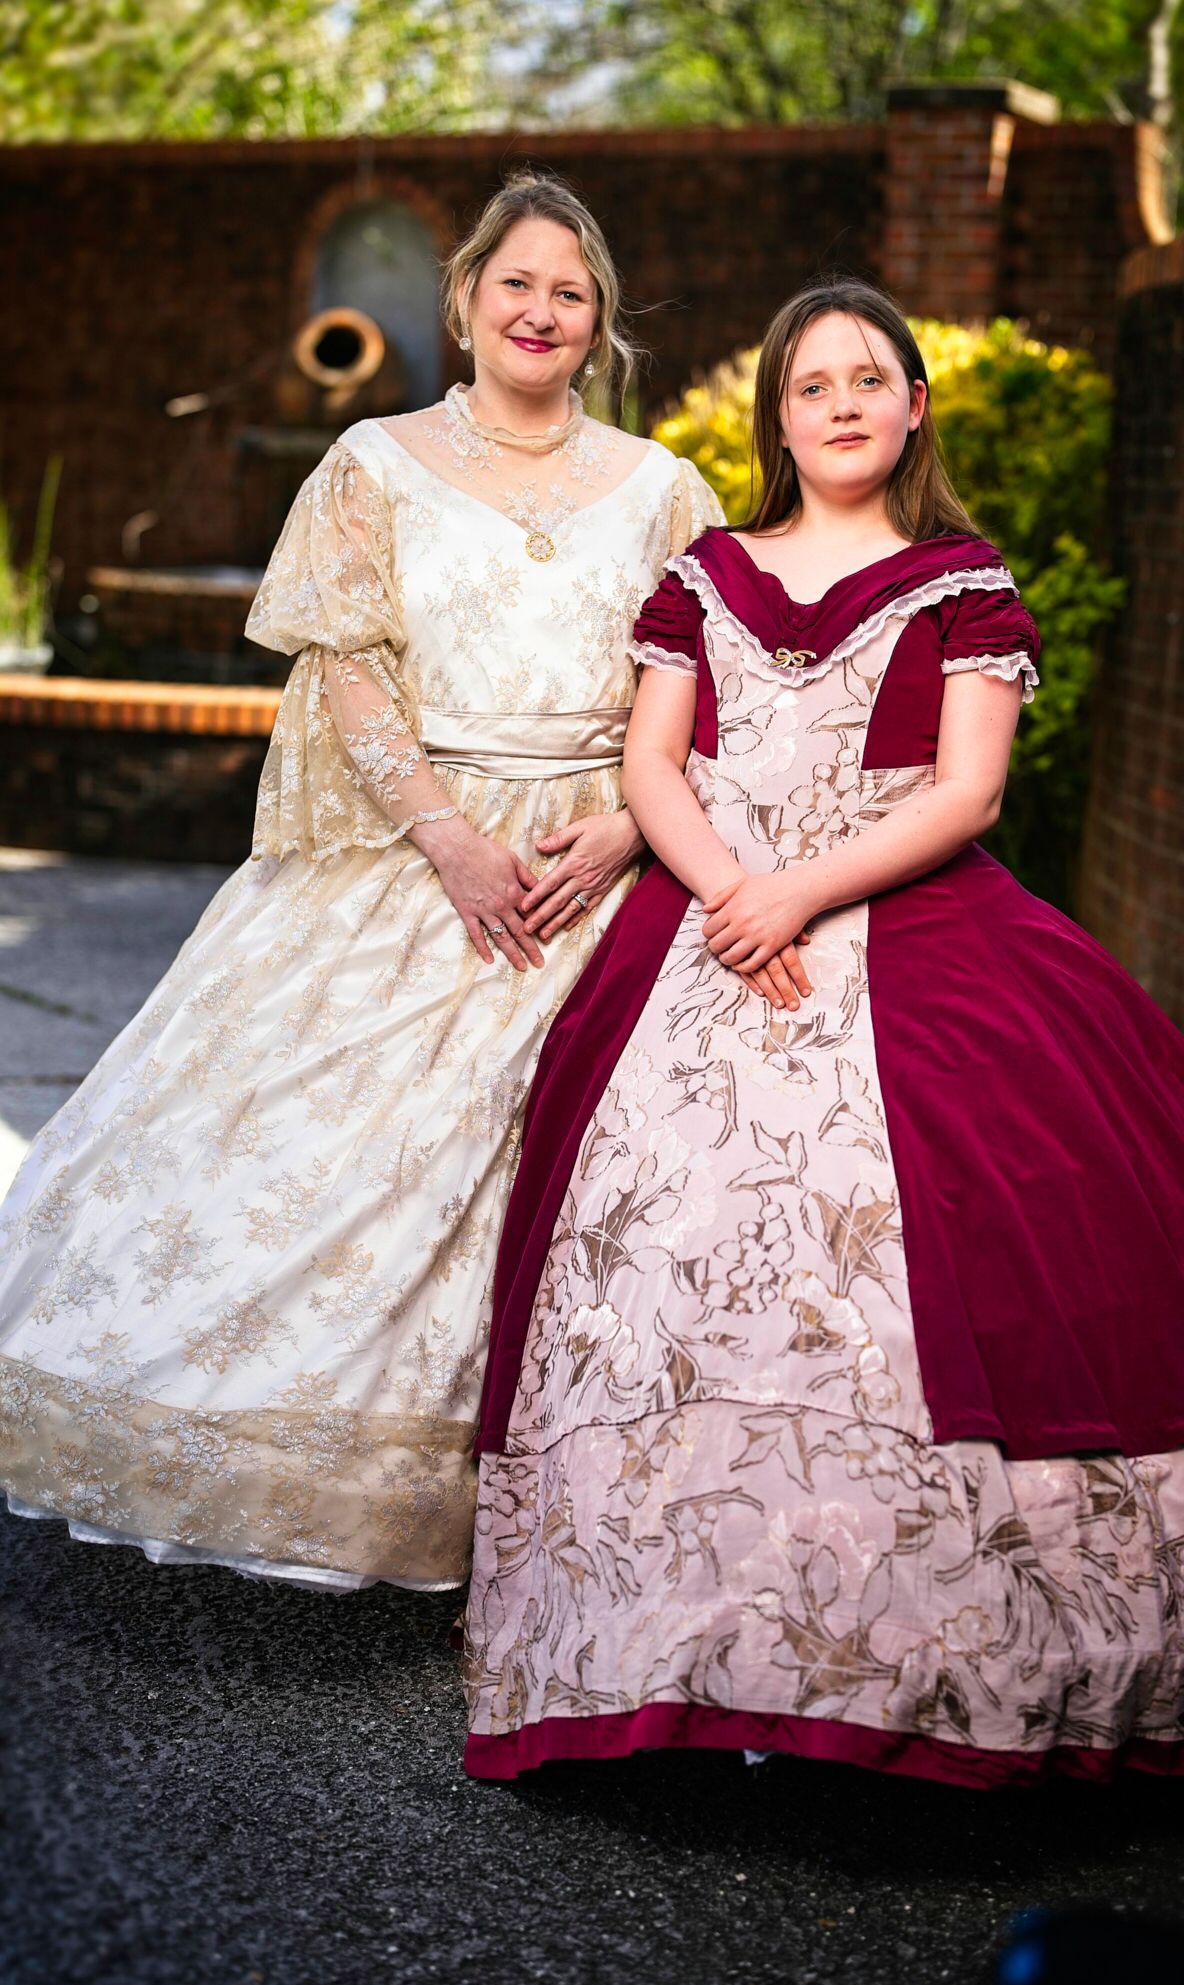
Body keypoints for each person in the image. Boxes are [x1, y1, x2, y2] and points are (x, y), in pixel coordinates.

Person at [462, 277, 1184, 1782]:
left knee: (978, 1230)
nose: (843, 405)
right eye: (812, 386)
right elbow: (655, 763)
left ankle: (934, 1662)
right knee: (649, 1256)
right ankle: (667, 1650)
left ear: (915, 408)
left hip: (902, 916)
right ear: (778, 419)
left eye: (869, 379)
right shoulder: (706, 575)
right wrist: (730, 892)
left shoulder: (960, 584)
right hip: (704, 917)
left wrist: (800, 891)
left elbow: (966, 792)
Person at [0, 171, 722, 1591]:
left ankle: (552, 1494)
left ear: (600, 323)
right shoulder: (372, 461)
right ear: (463, 297)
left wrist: (634, 831)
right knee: (312, 1157)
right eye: (516, 284)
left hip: (598, 853)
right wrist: (447, 839)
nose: (540, 311)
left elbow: (702, 687)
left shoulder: (665, 490)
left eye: (570, 293)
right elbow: (347, 670)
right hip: (418, 847)